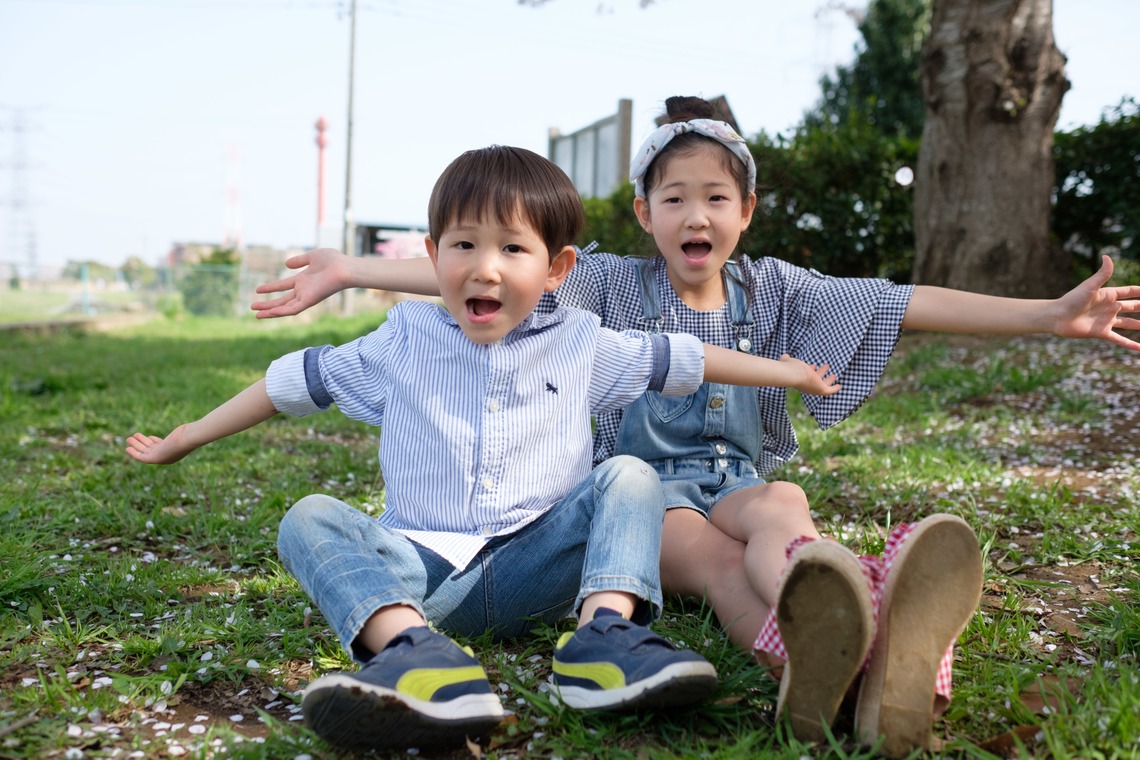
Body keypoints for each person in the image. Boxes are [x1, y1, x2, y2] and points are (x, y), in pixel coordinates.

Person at [250, 98, 1140, 756]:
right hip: (651, 503)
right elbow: (489, 264)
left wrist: (1043, 316)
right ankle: (827, 672)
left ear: (745, 212)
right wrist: (350, 269)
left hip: (736, 483)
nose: (696, 215)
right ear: (645, 214)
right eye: (674, 198)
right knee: (714, 562)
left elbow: (902, 303)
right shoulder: (605, 286)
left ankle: (853, 633)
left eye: (716, 197)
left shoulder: (778, 291)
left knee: (783, 507)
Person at [126, 144, 843, 754]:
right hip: (424, 575)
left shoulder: (583, 342)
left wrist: (790, 374)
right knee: (307, 517)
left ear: (557, 268)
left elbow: (689, 358)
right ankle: (415, 655)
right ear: (432, 255)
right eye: (464, 245)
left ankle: (604, 641)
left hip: (541, 565)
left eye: (513, 249)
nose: (486, 268)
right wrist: (186, 437)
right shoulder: (402, 339)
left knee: (626, 474)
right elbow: (290, 384)